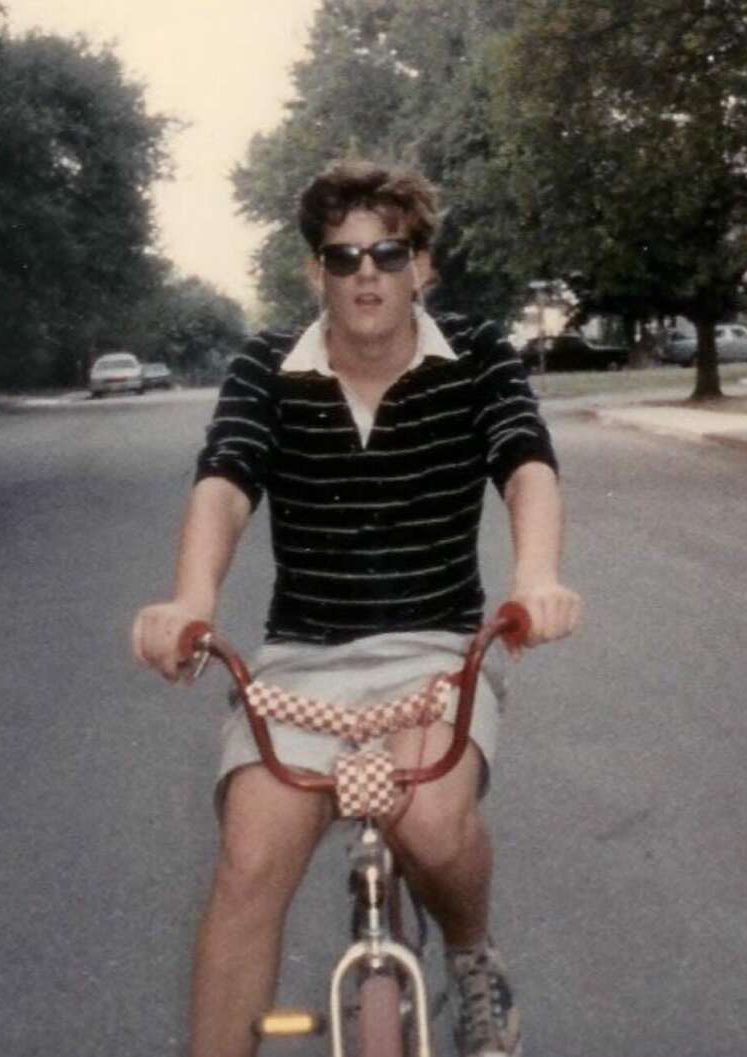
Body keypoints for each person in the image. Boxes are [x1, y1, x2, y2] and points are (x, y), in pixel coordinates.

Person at [131, 159, 580, 1057]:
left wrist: (536, 578)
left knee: (433, 823)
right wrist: (190, 601)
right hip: (301, 663)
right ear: (316, 272)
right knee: (248, 864)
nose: (366, 273)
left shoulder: (477, 353)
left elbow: (526, 463)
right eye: (342, 258)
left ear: (423, 266)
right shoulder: (266, 365)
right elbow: (225, 485)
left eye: (389, 253)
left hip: (437, 654)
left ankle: (469, 954)